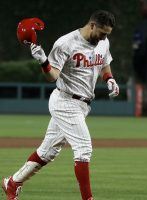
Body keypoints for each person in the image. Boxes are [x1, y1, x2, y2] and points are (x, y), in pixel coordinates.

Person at [2, 10, 119, 200]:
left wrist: (110, 79)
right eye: (102, 32)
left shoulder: (103, 42)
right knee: (84, 148)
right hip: (65, 101)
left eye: (107, 34)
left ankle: (12, 182)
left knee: (47, 152)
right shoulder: (66, 43)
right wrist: (43, 61)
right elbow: (52, 76)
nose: (104, 37)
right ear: (92, 25)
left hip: (83, 105)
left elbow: (105, 62)